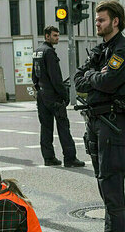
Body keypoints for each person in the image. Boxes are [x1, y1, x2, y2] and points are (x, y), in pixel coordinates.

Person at [73, 0, 125, 232]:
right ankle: (121, 229)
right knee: (103, 177)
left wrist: (93, 77)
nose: (96, 23)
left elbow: (109, 81)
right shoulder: (102, 49)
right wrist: (93, 76)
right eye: (96, 19)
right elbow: (79, 78)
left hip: (113, 121)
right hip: (96, 120)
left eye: (101, 20)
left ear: (115, 21)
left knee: (111, 177)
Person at [32, 26, 85, 168]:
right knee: (63, 127)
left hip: (42, 95)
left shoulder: (37, 52)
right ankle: (70, 158)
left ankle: (48, 158)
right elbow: (56, 78)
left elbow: (34, 76)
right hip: (53, 97)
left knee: (46, 128)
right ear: (46, 36)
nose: (57, 38)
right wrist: (64, 95)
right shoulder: (49, 52)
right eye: (54, 35)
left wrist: (39, 90)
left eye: (57, 35)